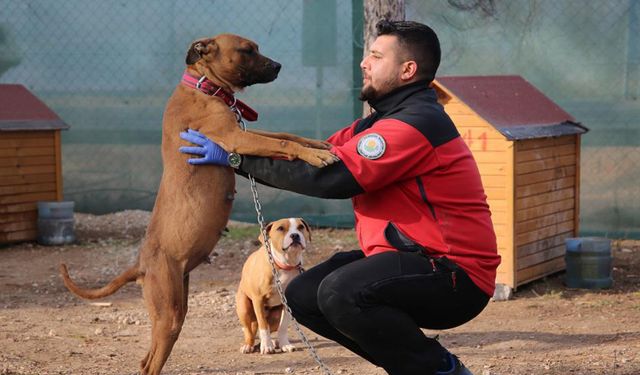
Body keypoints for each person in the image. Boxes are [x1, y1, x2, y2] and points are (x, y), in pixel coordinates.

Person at [180, 19, 500, 375]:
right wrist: (235, 138)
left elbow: (333, 177)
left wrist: (236, 159)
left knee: (339, 291)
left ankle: (441, 370)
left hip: (455, 275)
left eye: (376, 56)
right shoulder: (376, 124)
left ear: (408, 70)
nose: (364, 63)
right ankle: (414, 366)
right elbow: (319, 153)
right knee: (303, 294)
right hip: (410, 258)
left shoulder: (414, 125)